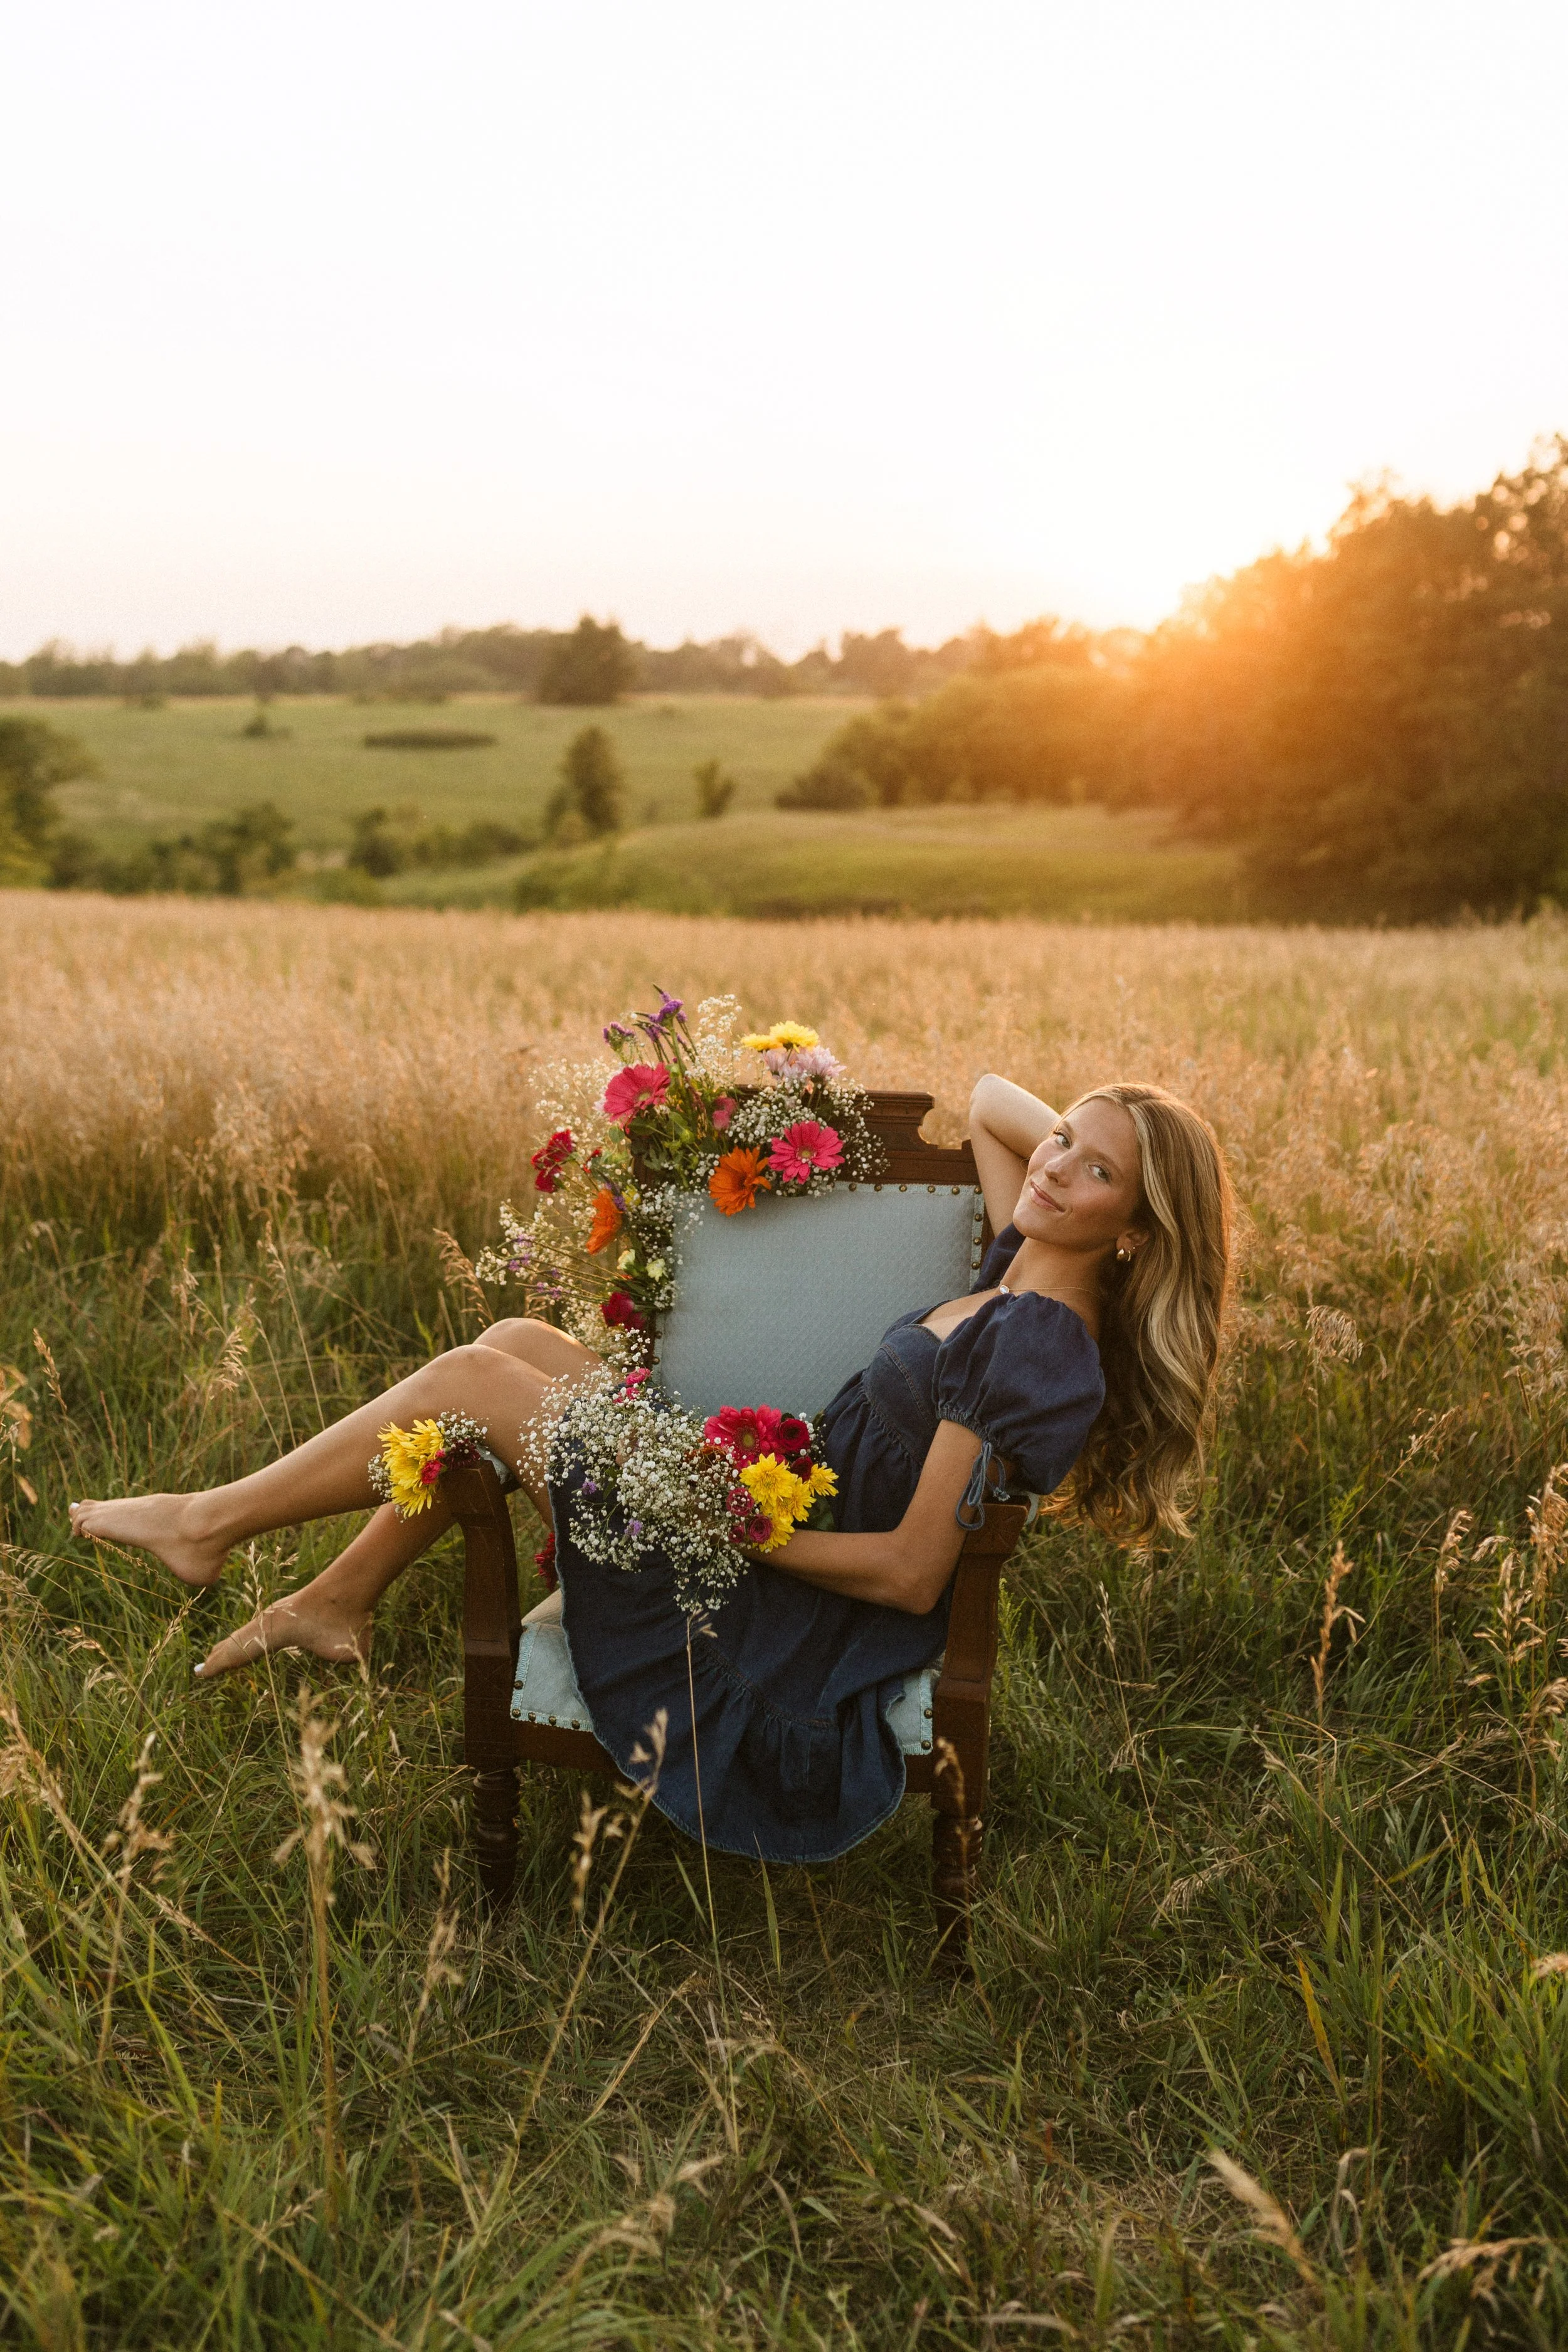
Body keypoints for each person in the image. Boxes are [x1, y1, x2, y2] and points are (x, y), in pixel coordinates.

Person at [70, 1075, 1234, 1863]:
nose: (1053, 1166)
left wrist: (734, 1532)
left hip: (764, 1615)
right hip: (741, 1522)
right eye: (1065, 1142)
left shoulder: (1035, 1339)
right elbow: (990, 1104)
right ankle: (336, 1597)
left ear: (1138, 1231)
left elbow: (913, 1574)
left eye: (1092, 1173)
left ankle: (208, 1525)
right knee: (518, 1349)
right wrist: (1105, 1135)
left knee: (473, 1382)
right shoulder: (1023, 1263)